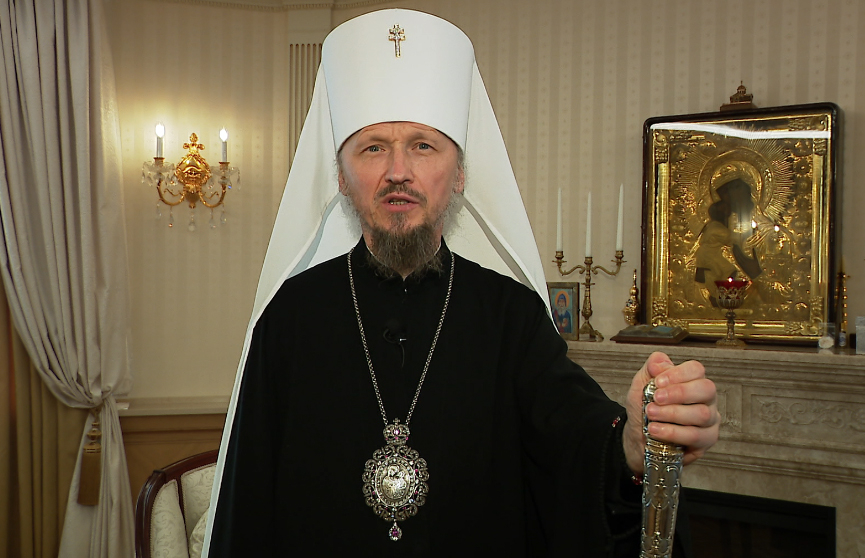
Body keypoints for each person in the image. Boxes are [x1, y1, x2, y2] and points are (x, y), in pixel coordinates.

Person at [202, 9, 719, 557]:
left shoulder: (511, 316)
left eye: (423, 146)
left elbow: (574, 441)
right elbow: (247, 509)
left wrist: (633, 443)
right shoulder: (289, 317)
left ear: (461, 174)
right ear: (341, 178)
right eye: (373, 147)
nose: (398, 171)